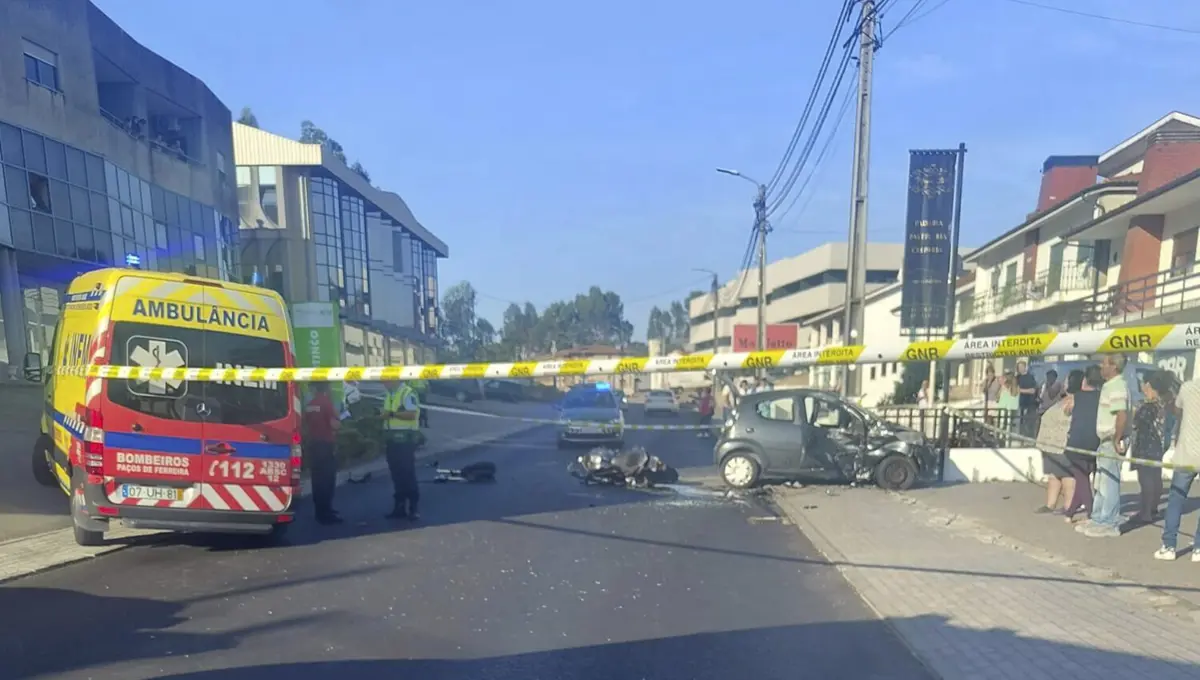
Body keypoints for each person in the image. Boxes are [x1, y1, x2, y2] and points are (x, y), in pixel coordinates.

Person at [1078, 354, 1129, 538]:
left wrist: (1116, 439)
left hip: (1111, 440)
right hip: (1104, 440)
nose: (1101, 366)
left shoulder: (1117, 386)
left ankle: (1109, 522)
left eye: (1104, 363)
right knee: (1100, 481)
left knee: (1109, 482)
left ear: (1113, 366)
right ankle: (1098, 517)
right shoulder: (1109, 385)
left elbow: (1121, 414)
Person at [1156, 376, 1200, 561]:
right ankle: (1198, 549)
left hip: (1187, 453)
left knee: (1176, 500)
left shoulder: (1187, 388)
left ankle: (1169, 546)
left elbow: (1177, 411)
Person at [1131, 370, 1174, 525]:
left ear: (1148, 384)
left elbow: (1135, 422)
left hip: (1146, 444)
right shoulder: (1167, 402)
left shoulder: (1147, 405)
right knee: (1156, 475)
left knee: (1146, 479)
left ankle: (1146, 512)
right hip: (1160, 444)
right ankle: (1153, 507)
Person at [1034, 369, 1080, 515]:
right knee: (1054, 474)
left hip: (1062, 444)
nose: (1064, 383)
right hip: (1049, 444)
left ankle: (1068, 506)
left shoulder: (1075, 401)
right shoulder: (1064, 399)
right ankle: (1050, 504)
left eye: (1067, 380)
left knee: (1067, 475)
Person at [1064, 364, 1103, 524]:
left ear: (1085, 379)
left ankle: (1091, 512)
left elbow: (1066, 410)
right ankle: (1070, 512)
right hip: (1095, 441)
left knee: (1081, 478)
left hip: (1077, 441)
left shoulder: (1076, 397)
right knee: (1083, 478)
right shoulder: (1102, 396)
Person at [381, 379, 422, 520]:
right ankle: (399, 507)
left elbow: (412, 414)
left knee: (407, 472)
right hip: (392, 439)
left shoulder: (407, 393)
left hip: (406, 440)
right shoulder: (390, 394)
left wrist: (392, 414)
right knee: (396, 474)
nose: (383, 384)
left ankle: (413, 508)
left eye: (385, 381)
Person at [303, 382, 342, 525]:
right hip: (325, 444)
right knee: (327, 480)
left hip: (313, 444)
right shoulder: (326, 403)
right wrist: (339, 421)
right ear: (326, 388)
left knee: (317, 480)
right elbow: (334, 425)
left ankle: (319, 511)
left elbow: (304, 424)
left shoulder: (310, 404)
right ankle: (326, 512)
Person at [1016, 360, 1039, 439]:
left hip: (1030, 403)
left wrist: (1021, 390)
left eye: (1021, 367)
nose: (1020, 368)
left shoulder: (1031, 377)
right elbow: (1015, 389)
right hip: (1020, 403)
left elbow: (1033, 390)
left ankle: (1028, 438)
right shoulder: (1017, 378)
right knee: (1020, 422)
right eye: (1019, 367)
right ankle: (1020, 437)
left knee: (1029, 423)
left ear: (1025, 367)